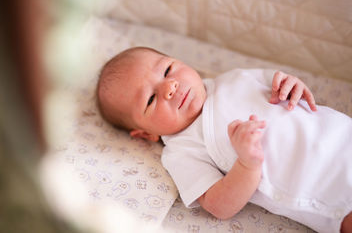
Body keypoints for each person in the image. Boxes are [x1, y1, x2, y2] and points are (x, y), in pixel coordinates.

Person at [97, 46, 352, 233]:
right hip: (326, 191)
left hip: (342, 136)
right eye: (151, 99)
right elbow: (219, 207)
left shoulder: (236, 77)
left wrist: (292, 84)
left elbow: (283, 88)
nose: (169, 87)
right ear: (146, 134)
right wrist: (247, 165)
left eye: (167, 70)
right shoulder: (180, 151)